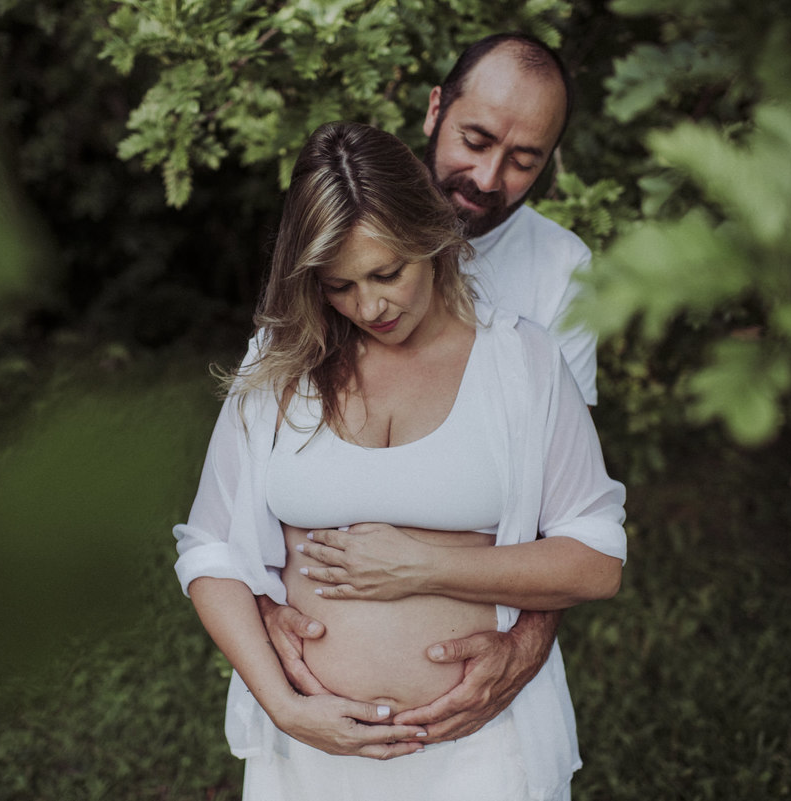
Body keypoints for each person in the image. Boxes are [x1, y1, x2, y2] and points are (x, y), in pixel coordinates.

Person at [174, 121, 626, 800]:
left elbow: (596, 558)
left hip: (476, 754)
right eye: (339, 285)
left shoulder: (520, 363)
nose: (370, 305)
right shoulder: (282, 362)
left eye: (387, 273)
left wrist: (426, 565)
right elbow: (207, 550)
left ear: (431, 237)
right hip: (310, 753)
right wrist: (284, 704)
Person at [259, 32, 598, 750]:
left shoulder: (561, 274)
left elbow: (563, 506)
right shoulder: (345, 209)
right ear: (435, 108)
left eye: (523, 160)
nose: (486, 176)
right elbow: (260, 459)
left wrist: (525, 646)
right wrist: (262, 604)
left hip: (475, 703)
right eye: (475, 139)